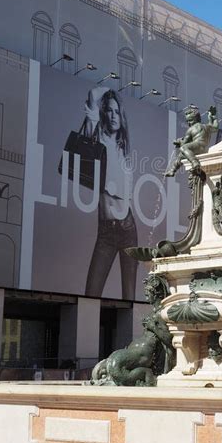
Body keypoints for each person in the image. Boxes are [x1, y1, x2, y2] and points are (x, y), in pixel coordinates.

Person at [83, 86, 138, 300]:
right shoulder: (98, 139)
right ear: (103, 113)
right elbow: (92, 95)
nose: (113, 116)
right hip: (106, 231)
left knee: (130, 297)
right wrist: (112, 89)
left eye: (117, 111)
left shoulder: (124, 148)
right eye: (109, 111)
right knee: (91, 294)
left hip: (128, 227)